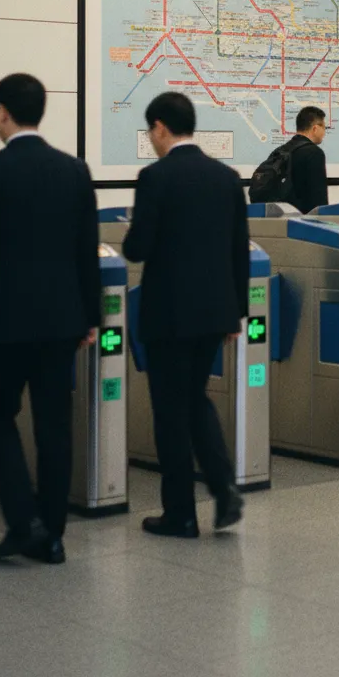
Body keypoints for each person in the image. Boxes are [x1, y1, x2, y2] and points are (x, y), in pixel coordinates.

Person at [0, 74, 101, 565]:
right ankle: (52, 536)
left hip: (3, 321)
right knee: (55, 426)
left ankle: (23, 522)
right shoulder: (74, 171)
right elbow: (87, 251)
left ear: (3, 113)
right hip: (61, 321)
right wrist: (92, 316)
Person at [123, 92, 248, 538]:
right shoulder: (226, 178)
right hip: (215, 313)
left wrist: (134, 229)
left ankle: (180, 513)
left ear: (160, 127)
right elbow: (239, 251)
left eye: (150, 131)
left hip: (169, 314)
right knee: (195, 398)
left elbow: (137, 247)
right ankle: (224, 488)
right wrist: (236, 314)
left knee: (171, 412)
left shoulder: (155, 177)